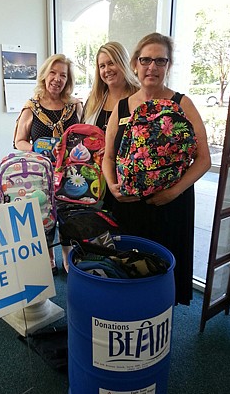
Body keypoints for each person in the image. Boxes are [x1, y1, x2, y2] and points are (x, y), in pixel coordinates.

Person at [102, 32, 211, 305]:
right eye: (146, 60)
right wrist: (112, 187)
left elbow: (203, 159)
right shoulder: (122, 107)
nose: (152, 67)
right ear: (136, 64)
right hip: (127, 205)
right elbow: (108, 156)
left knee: (162, 274)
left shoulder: (181, 104)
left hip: (169, 207)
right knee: (128, 269)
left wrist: (173, 192)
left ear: (168, 65)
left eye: (160, 61)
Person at [14, 53, 83, 275]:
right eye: (53, 72)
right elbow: (19, 141)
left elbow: (81, 137)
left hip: (71, 173)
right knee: (44, 216)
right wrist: (37, 149)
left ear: (68, 80)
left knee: (68, 217)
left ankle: (66, 257)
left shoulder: (75, 106)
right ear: (44, 75)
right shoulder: (31, 107)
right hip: (41, 173)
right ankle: (49, 257)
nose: (57, 78)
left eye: (63, 75)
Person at [83, 41, 139, 211]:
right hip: (95, 180)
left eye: (111, 63)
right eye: (102, 66)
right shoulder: (94, 101)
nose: (107, 70)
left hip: (127, 182)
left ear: (123, 63)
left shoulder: (139, 98)